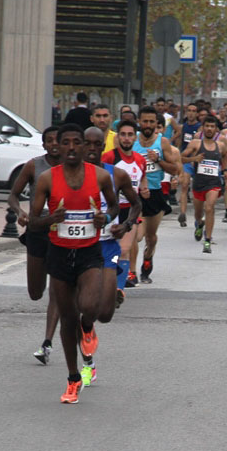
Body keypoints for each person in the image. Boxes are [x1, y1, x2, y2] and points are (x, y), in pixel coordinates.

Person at [28, 123, 118, 404]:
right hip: (59, 253)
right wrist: (50, 219)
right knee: (67, 319)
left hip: (89, 253)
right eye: (65, 142)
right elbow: (33, 221)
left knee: (88, 307)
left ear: (83, 146)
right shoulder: (47, 179)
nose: (70, 147)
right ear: (59, 145)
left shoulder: (100, 176)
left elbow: (115, 206)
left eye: (76, 142)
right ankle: (73, 378)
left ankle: (88, 326)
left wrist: (106, 218)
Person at [80, 125, 141, 386]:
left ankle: (90, 324)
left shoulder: (116, 174)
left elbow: (136, 204)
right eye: (88, 144)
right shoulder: (67, 175)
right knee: (84, 307)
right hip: (78, 248)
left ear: (104, 144)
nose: (92, 149)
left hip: (107, 246)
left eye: (98, 144)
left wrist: (125, 225)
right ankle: (87, 363)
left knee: (105, 313)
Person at [8, 126, 61, 364]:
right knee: (35, 292)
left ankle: (47, 342)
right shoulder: (33, 166)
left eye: (58, 140)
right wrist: (20, 212)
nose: (54, 144)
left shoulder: (72, 167)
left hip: (61, 232)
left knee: (57, 289)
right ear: (44, 144)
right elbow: (13, 195)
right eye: (49, 140)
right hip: (37, 230)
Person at [131, 107, 180, 283]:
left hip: (155, 193)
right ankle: (131, 272)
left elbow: (174, 169)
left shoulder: (162, 142)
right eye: (145, 121)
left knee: (150, 237)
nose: (148, 125)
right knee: (135, 235)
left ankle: (148, 258)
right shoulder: (132, 139)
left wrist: (158, 160)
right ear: (139, 122)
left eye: (152, 122)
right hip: (135, 193)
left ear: (156, 124)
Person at [101, 118, 145, 304]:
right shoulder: (109, 158)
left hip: (130, 210)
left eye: (130, 135)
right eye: (123, 135)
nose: (126, 138)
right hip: (112, 210)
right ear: (117, 137)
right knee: (112, 250)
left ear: (135, 138)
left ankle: (118, 290)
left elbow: (141, 179)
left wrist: (144, 188)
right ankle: (107, 281)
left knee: (125, 249)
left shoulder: (140, 160)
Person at [182, 114, 227, 252]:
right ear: (203, 128)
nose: (209, 129)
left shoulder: (220, 145)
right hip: (199, 183)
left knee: (209, 208)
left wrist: (225, 170)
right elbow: (181, 158)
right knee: (198, 214)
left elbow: (225, 157)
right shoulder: (195, 143)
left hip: (213, 183)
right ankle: (199, 224)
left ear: (216, 129)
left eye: (212, 126)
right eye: (207, 126)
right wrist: (194, 159)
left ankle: (208, 240)